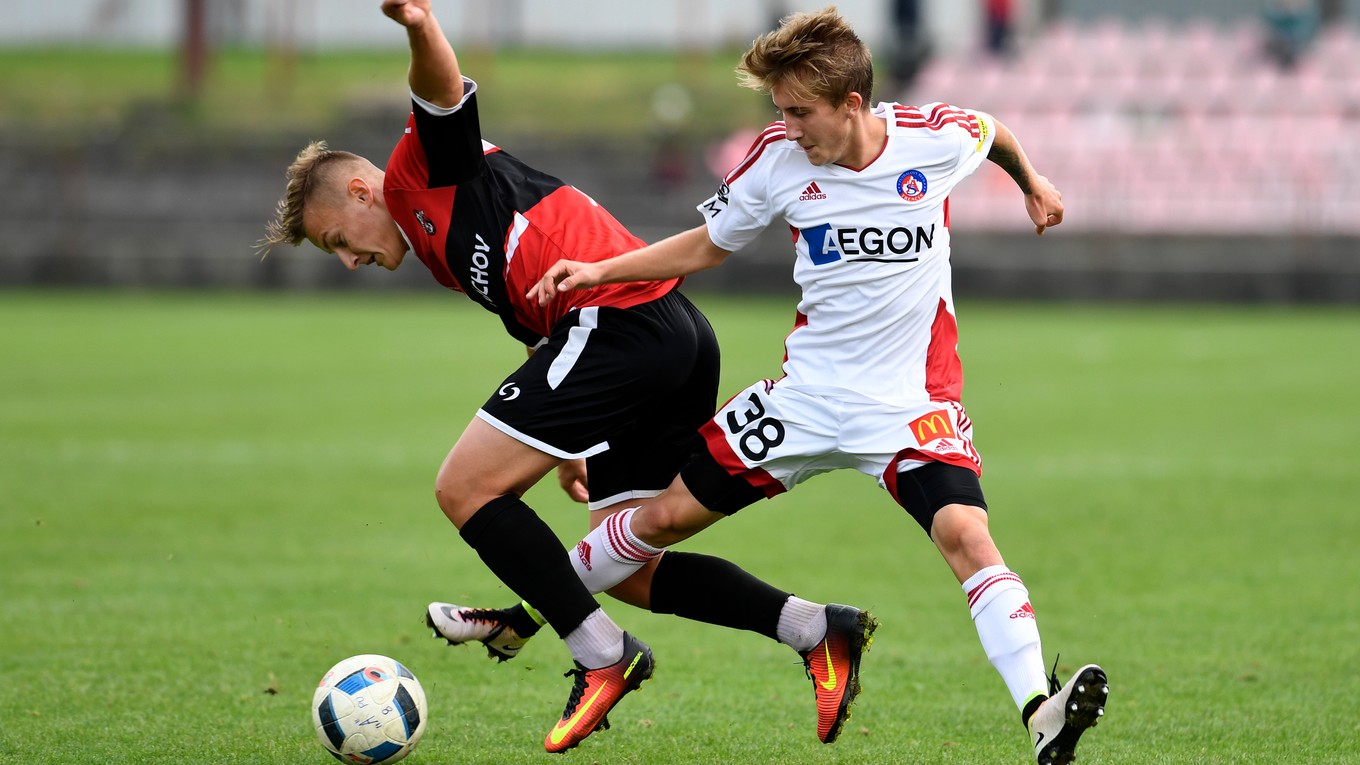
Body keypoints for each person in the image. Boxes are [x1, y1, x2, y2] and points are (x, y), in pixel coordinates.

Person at [258, 0, 874, 752]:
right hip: (663, 334)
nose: (350, 260)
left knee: (463, 488)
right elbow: (535, 328)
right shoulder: (439, 249)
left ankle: (601, 654)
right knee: (630, 565)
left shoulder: (419, 173)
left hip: (620, 323)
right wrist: (568, 447)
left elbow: (440, 90)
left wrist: (418, 22)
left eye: (337, 240)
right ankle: (815, 628)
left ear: (361, 193)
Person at [528, 7, 1110, 765]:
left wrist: (1033, 183)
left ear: (852, 104)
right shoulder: (777, 161)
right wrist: (600, 271)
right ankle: (531, 605)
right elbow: (706, 245)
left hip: (910, 406)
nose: (789, 127)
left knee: (968, 537)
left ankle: (1040, 710)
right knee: (661, 519)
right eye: (780, 110)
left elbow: (992, 131)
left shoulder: (932, 138)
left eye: (801, 112)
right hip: (802, 401)